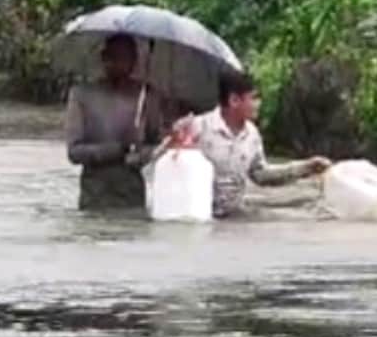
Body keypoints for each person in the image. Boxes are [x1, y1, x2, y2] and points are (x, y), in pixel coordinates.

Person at [170, 70, 329, 218]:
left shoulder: (252, 135)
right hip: (200, 214)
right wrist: (174, 144)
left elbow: (261, 175)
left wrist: (306, 168)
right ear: (234, 100)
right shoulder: (198, 127)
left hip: (234, 215)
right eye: (253, 98)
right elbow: (160, 168)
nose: (258, 103)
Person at [64, 34, 169, 211]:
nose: (121, 64)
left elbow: (156, 145)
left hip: (131, 192)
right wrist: (118, 148)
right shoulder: (82, 95)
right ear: (104, 58)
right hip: (94, 194)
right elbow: (74, 152)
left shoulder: (146, 96)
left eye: (128, 58)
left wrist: (139, 155)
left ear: (135, 61)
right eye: (115, 57)